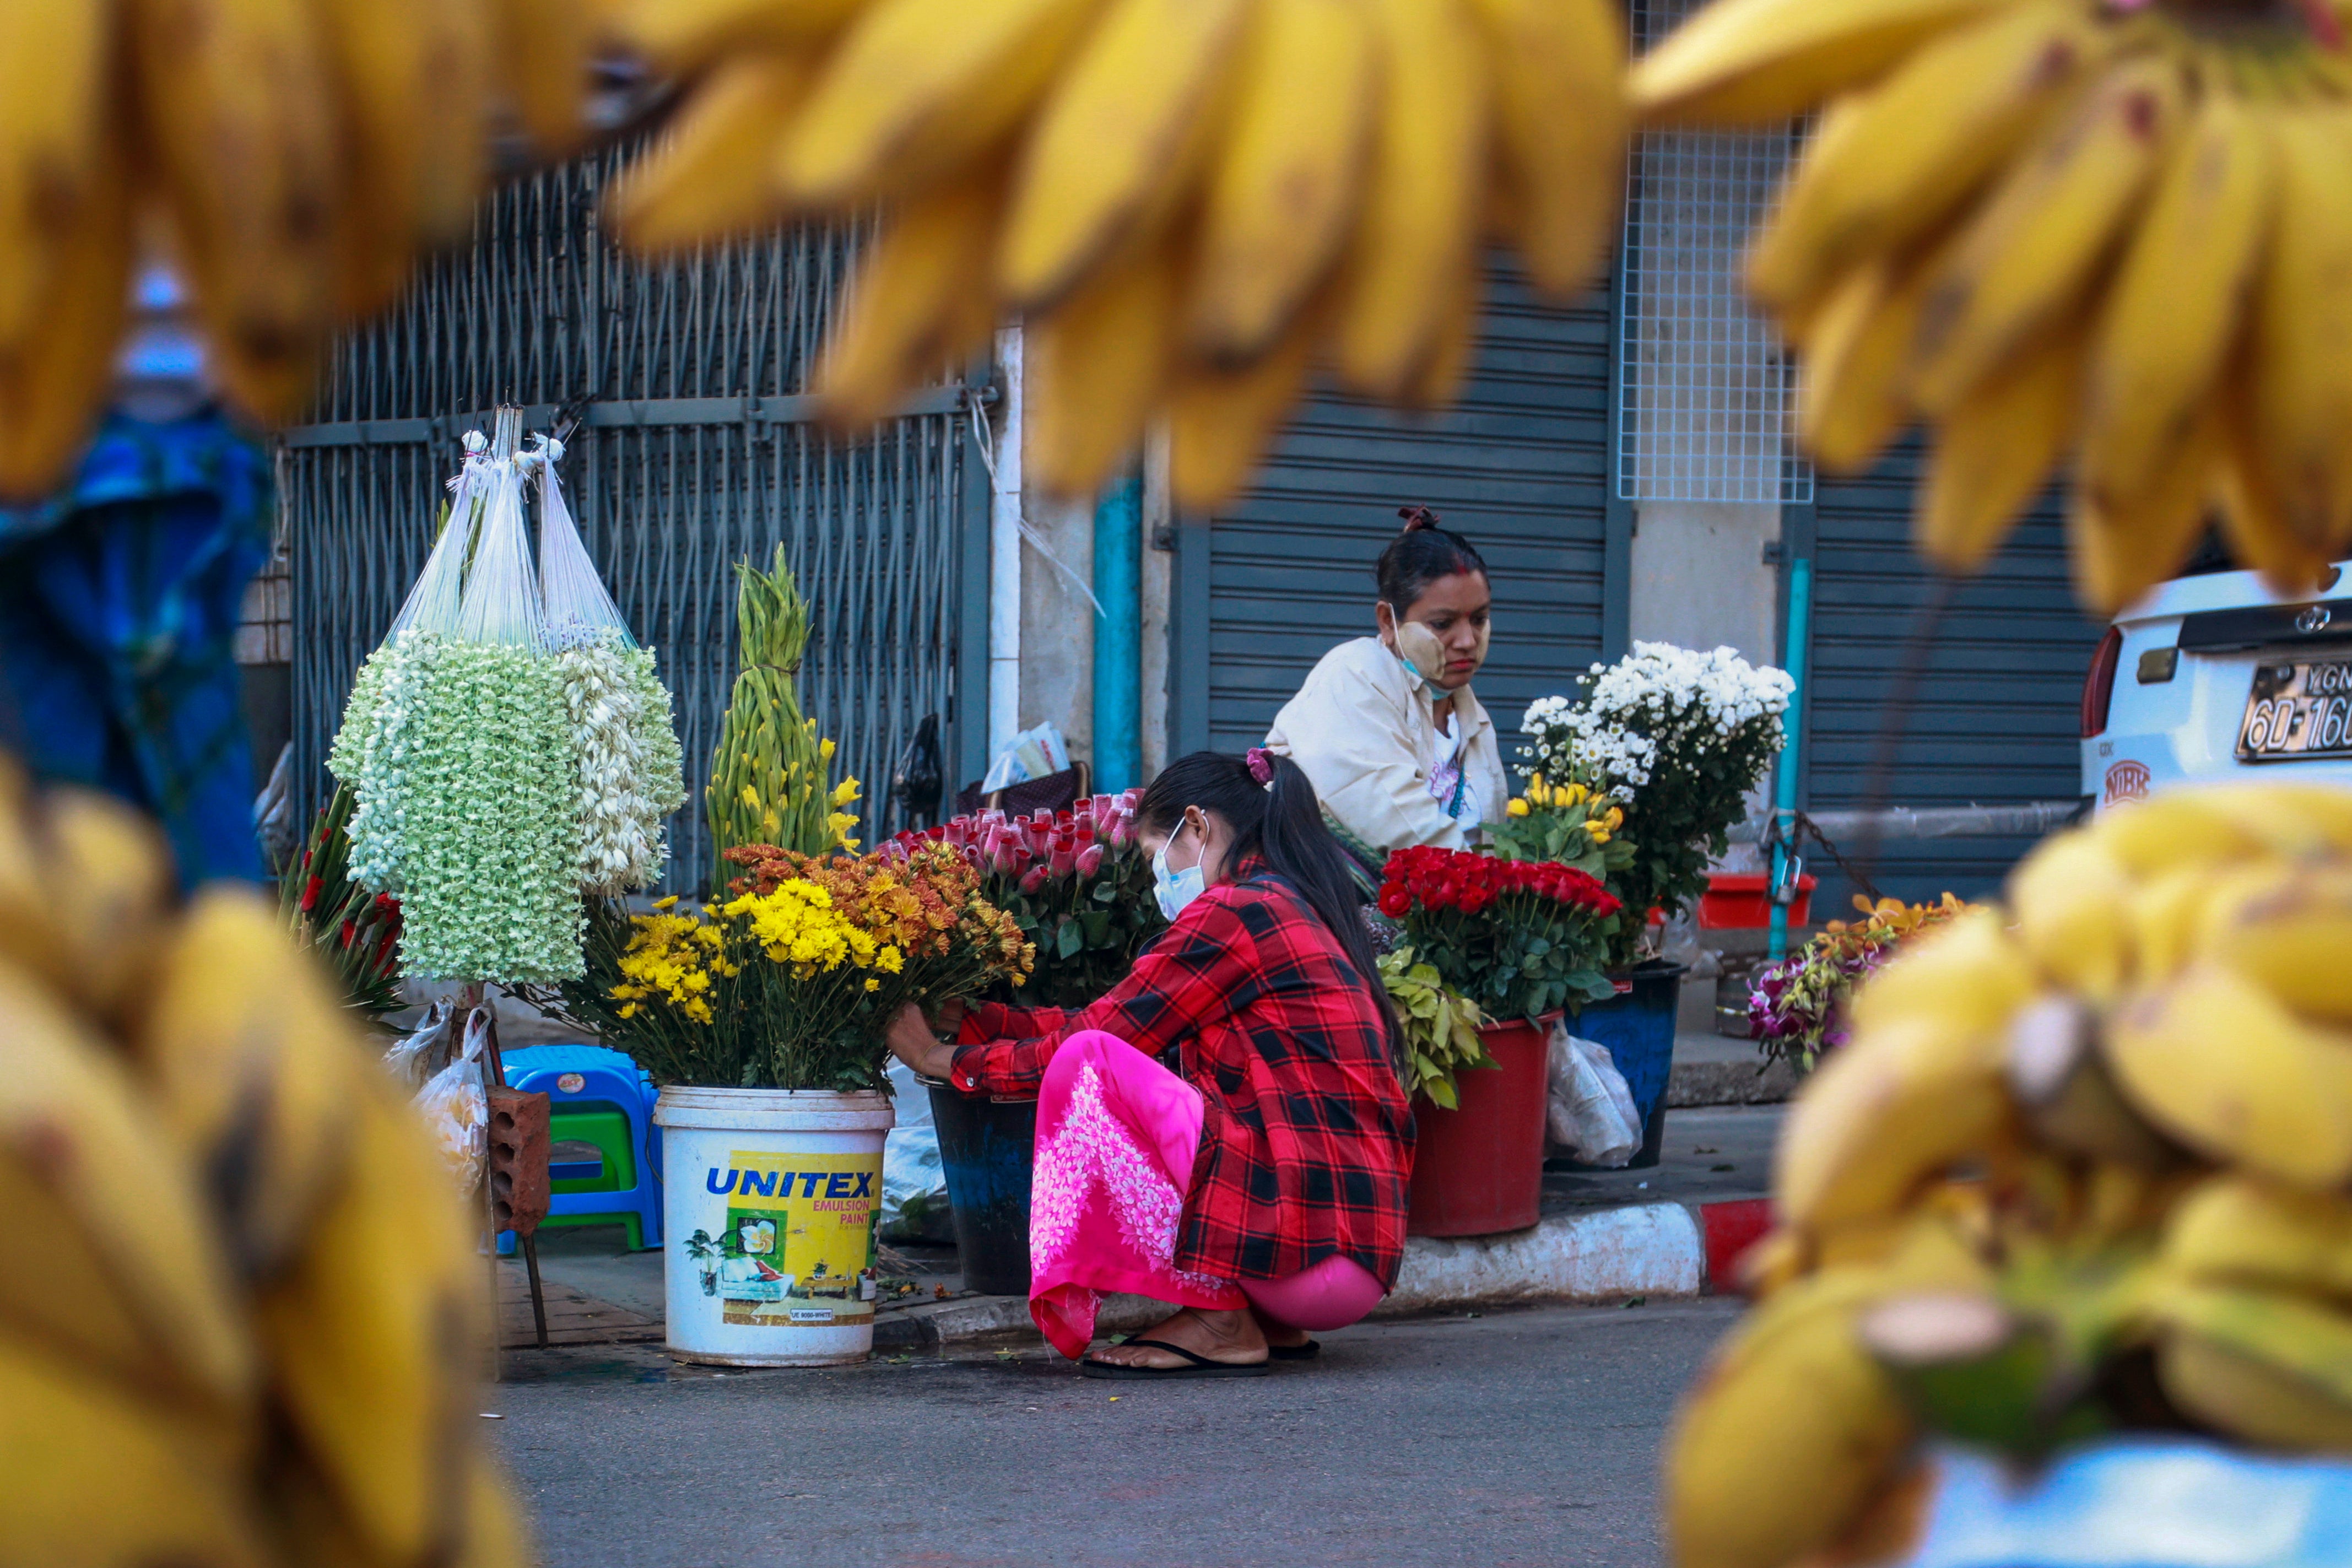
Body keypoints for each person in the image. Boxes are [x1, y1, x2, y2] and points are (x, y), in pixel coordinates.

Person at [884, 748, 1414, 1378]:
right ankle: (1256, 1316)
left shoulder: (1236, 910)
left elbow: (1095, 1042)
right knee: (1100, 1054)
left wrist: (938, 1058)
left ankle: (1220, 1317)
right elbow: (1125, 1018)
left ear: (1197, 826)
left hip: (1306, 1256)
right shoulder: (1293, 904)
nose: (1158, 879)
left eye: (1153, 856)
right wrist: (977, 1023)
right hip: (1346, 1258)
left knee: (1089, 1065)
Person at [1263, 505, 1506, 869]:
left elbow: (1489, 840)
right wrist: (1488, 892)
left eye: (1479, 619)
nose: (1467, 640)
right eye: (1442, 623)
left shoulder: (1471, 717)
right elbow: (1398, 824)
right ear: (1387, 622)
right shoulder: (1355, 676)